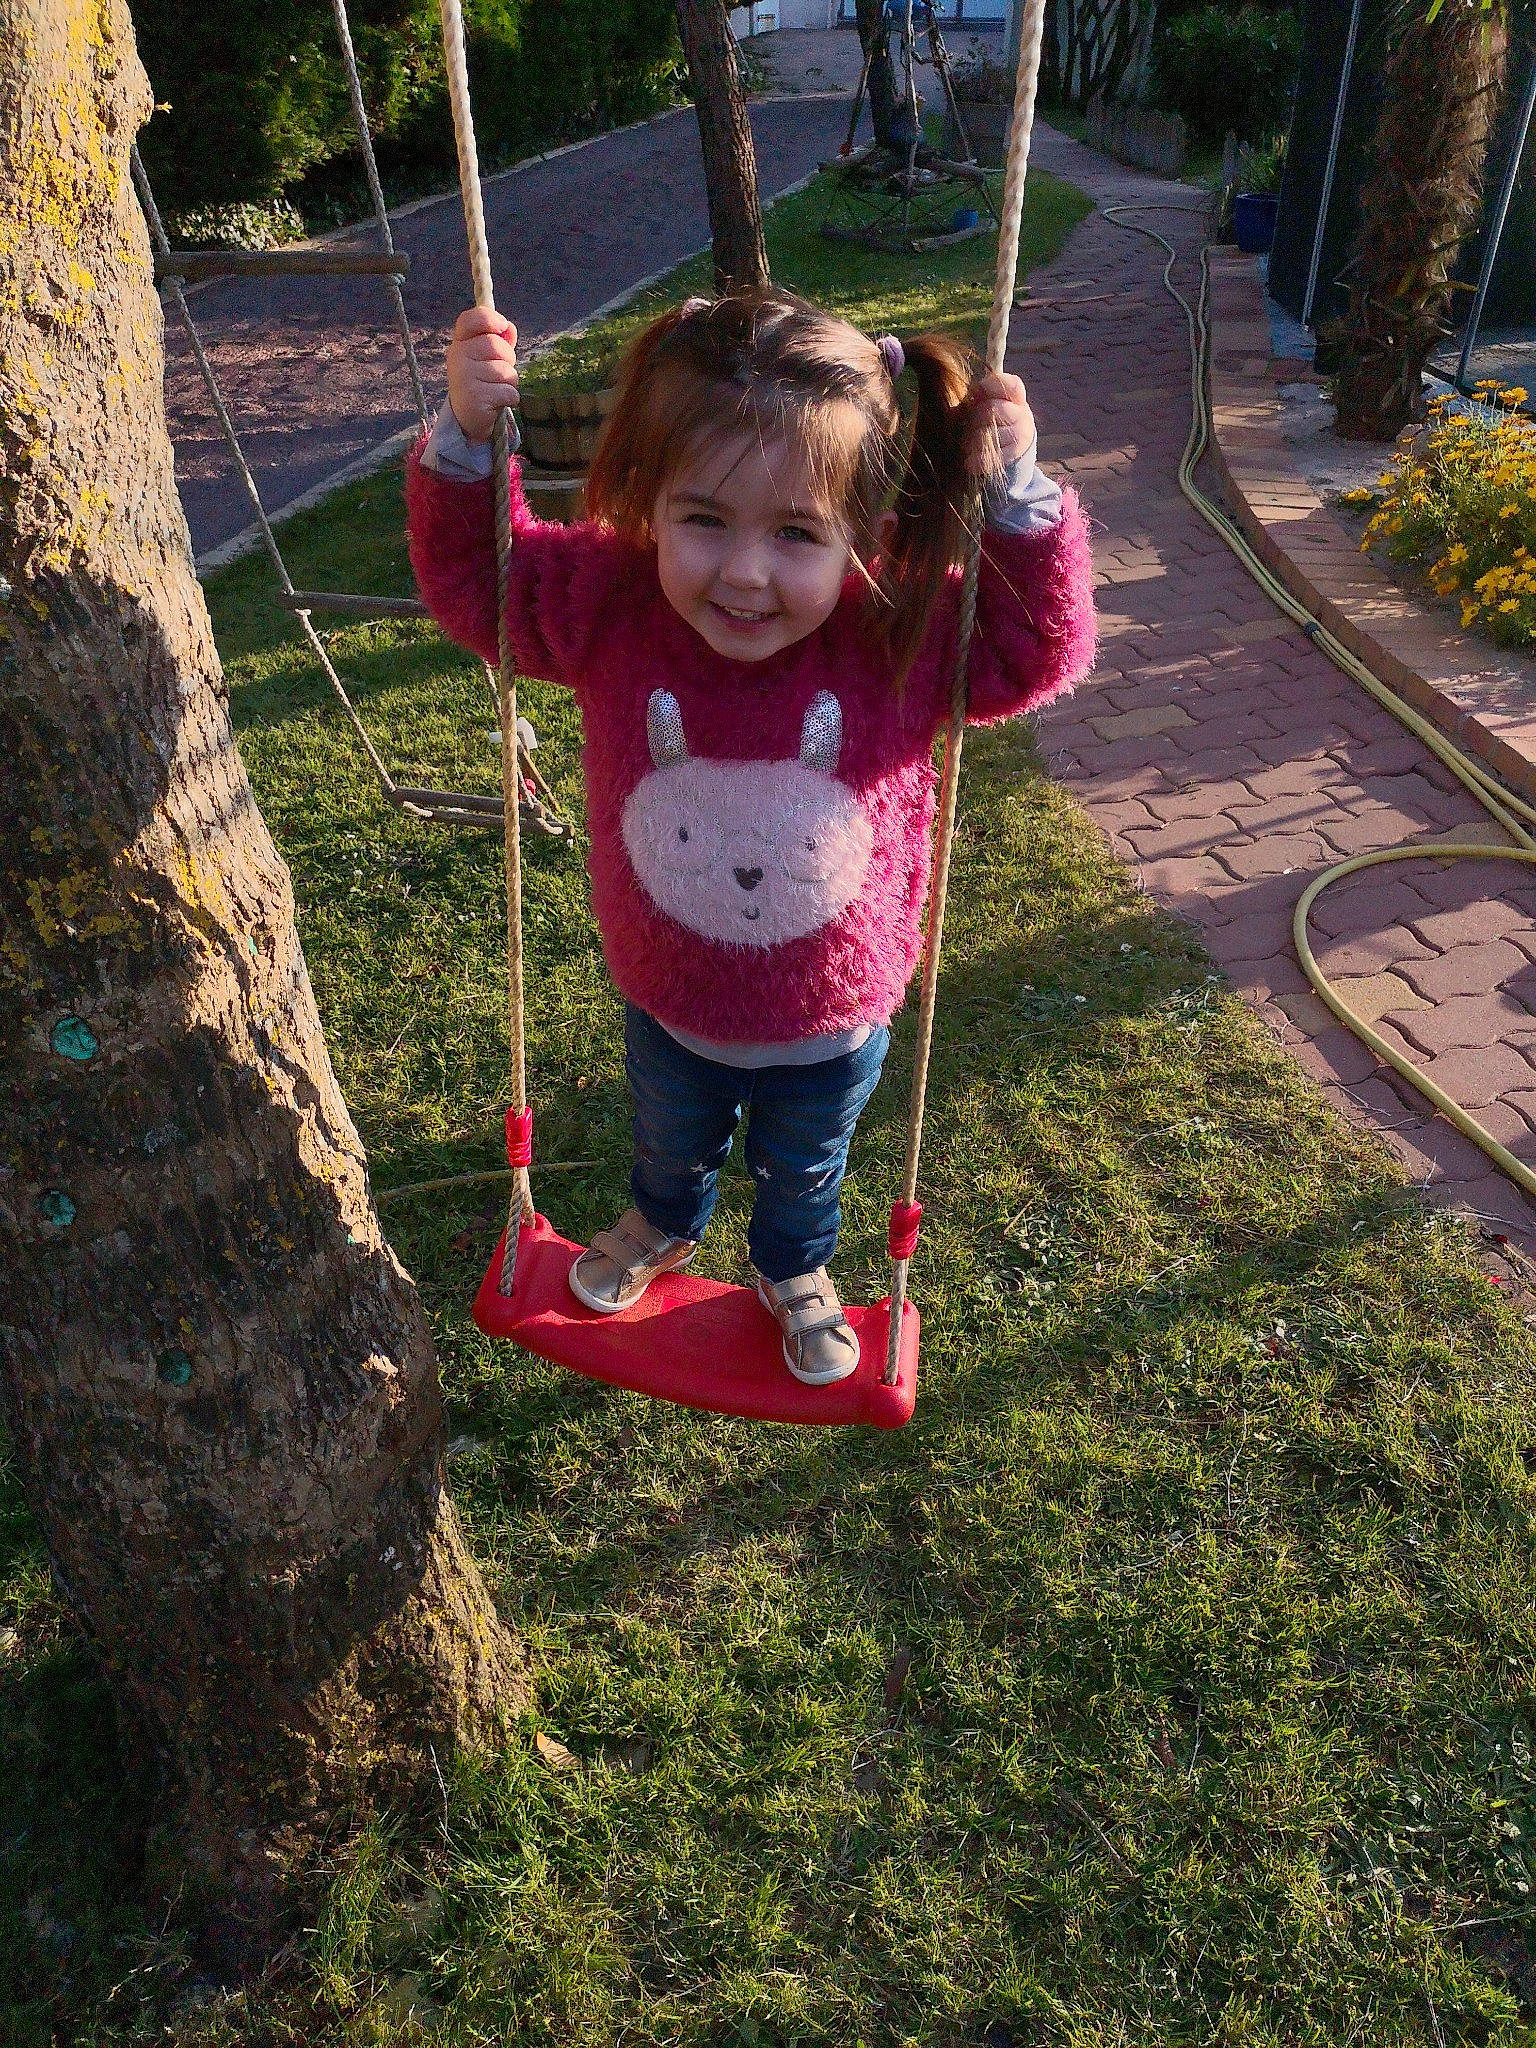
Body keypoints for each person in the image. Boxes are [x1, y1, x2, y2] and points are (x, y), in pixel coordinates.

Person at [407, 288, 1095, 1386]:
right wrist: (464, 442)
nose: (744, 572)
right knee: (668, 1136)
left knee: (803, 1168)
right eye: (704, 518)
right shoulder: (614, 603)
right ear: (647, 499)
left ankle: (793, 1268)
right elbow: (479, 584)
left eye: (795, 533)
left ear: (865, 535)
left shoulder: (897, 629)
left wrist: (1019, 499)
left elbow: (1031, 650)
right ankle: (660, 1222)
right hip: (669, 995)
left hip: (831, 1020)